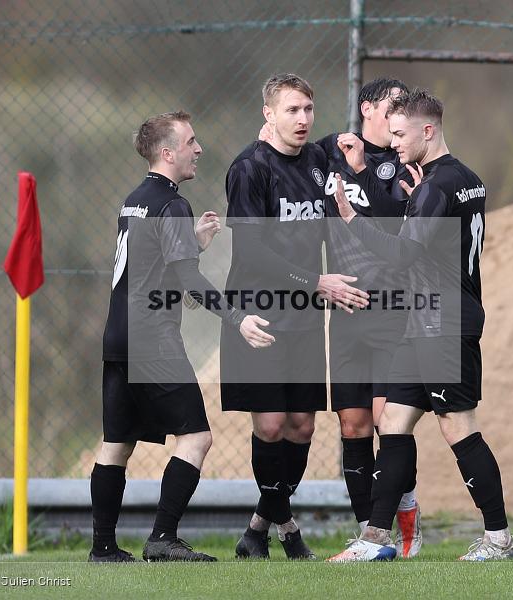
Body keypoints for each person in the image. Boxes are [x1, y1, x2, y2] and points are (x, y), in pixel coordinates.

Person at [327, 89, 513, 562]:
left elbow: (403, 254)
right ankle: (374, 539)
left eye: (399, 134)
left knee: (457, 424)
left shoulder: (434, 186)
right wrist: (418, 206)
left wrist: (351, 219)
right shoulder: (462, 179)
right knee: (393, 421)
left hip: (444, 322)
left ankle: (499, 540)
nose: (392, 143)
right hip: (425, 318)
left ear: (427, 131)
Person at [91, 111, 273, 563]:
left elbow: (157, 274)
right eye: (191, 141)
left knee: (116, 444)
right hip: (152, 340)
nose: (199, 149)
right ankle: (162, 538)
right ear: (168, 153)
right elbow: (188, 282)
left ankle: (103, 547)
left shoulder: (134, 200)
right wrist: (237, 319)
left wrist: (190, 244)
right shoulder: (173, 205)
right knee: (196, 438)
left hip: (118, 337)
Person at [221, 73, 369, 560]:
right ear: (268, 114)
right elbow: (250, 249)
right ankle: (288, 531)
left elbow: (343, 145)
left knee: (302, 427)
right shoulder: (249, 169)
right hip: (258, 315)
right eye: (291, 110)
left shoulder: (317, 158)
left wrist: (358, 148)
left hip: (304, 316)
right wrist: (317, 281)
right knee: (269, 425)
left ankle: (258, 529)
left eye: (308, 109)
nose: (303, 119)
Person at [316, 78, 424, 558]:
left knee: (388, 421)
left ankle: (404, 520)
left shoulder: (403, 166)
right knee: (353, 424)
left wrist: (362, 172)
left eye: (405, 106)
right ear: (367, 108)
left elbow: (395, 232)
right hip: (344, 311)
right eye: (391, 104)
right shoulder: (329, 152)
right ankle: (367, 534)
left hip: (391, 310)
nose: (398, 113)